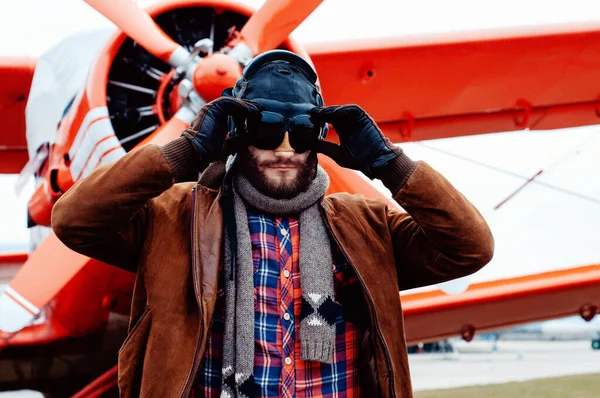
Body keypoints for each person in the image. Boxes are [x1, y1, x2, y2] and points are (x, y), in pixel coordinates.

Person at [52, 50, 494, 398]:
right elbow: (75, 221)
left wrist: (389, 164)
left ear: (317, 139)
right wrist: (185, 151)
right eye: (265, 127)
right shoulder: (174, 218)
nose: (284, 147)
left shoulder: (368, 225)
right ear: (239, 132)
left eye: (301, 130)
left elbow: (470, 248)